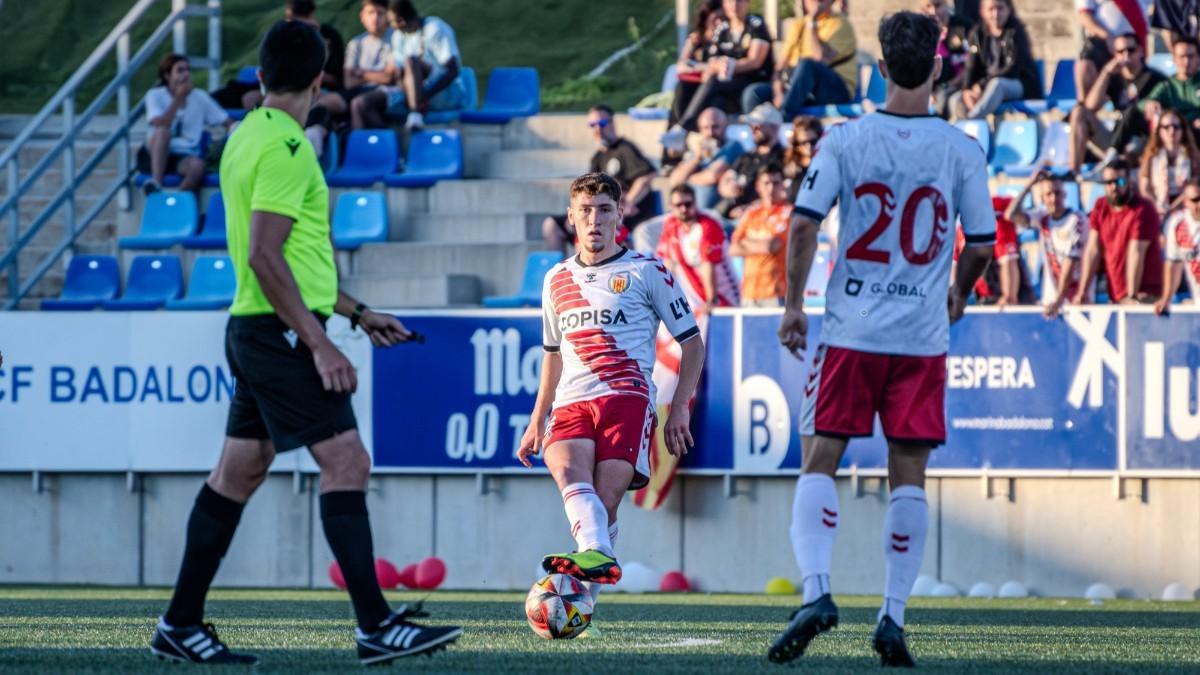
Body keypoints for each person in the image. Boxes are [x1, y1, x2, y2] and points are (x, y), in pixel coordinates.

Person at [147, 22, 462, 666]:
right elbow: (266, 257)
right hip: (280, 334)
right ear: (321, 81)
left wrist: (358, 312)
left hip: (257, 327)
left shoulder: (246, 135)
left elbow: (288, 260)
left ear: (261, 77)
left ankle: (179, 624)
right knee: (347, 462)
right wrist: (320, 342)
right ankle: (376, 625)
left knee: (237, 473)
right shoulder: (289, 147)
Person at [771, 11, 995, 667]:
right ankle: (892, 615)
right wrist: (959, 291)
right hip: (921, 337)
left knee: (820, 458)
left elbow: (804, 224)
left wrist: (794, 306)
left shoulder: (846, 139)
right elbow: (982, 243)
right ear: (937, 68)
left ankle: (817, 590)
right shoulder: (962, 149)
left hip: (853, 329)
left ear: (878, 67)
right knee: (909, 473)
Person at [517, 172, 705, 625]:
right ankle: (597, 555)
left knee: (603, 504)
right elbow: (552, 354)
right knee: (566, 472)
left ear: (620, 214)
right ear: (571, 217)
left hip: (626, 397)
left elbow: (692, 343)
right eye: (585, 210)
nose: (594, 219)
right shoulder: (556, 278)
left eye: (604, 210)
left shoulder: (647, 270)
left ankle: (585, 597)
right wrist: (537, 417)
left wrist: (679, 405)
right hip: (571, 400)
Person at [542, 106, 657, 255]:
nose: (597, 129)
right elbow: (588, 192)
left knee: (588, 232)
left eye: (602, 123)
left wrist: (628, 201)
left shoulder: (625, 148)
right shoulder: (597, 158)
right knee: (551, 225)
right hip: (600, 210)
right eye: (592, 125)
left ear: (612, 123)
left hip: (624, 214)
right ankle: (565, 269)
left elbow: (647, 175)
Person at [660, 0, 774, 150]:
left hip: (751, 80)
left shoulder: (756, 24)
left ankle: (683, 128)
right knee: (686, 88)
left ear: (747, 2)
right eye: (730, 1)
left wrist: (729, 66)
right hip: (725, 84)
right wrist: (713, 67)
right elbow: (712, 62)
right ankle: (683, 145)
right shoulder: (723, 29)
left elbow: (755, 62)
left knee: (714, 83)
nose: (734, 5)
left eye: (739, 1)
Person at [351, 0, 465, 131]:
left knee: (411, 61)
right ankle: (389, 141)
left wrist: (425, 96)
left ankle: (415, 114)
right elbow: (400, 74)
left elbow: (452, 70)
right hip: (413, 94)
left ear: (401, 21)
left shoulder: (434, 28)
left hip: (444, 92)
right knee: (361, 104)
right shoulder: (398, 37)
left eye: (391, 21)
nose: (389, 25)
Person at [742, 0, 858, 118]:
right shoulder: (799, 25)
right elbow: (780, 67)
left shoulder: (840, 23)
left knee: (807, 64)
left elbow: (819, 57)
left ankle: (783, 117)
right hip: (799, 88)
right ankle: (756, 127)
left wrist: (812, 23)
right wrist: (778, 92)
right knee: (754, 93)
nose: (815, 2)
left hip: (834, 90)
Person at [1068, 32, 1164, 172]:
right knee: (1079, 112)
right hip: (1115, 139)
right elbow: (1090, 106)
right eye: (1120, 52)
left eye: (1131, 50)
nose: (1126, 55)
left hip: (1140, 139)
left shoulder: (1154, 79)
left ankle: (1118, 168)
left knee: (1131, 147)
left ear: (1140, 51)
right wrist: (1106, 72)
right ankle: (1073, 172)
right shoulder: (1114, 77)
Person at [138, 54, 233, 195]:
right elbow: (160, 123)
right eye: (180, 70)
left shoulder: (200, 97)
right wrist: (179, 98)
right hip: (155, 152)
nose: (186, 74)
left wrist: (235, 128)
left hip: (184, 154)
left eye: (188, 70)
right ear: (167, 76)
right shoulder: (155, 95)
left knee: (198, 166)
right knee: (163, 132)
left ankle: (178, 200)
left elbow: (226, 120)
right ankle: (156, 183)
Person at [1074, 160, 1165, 304]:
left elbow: (1136, 253)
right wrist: (1082, 292)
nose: (1114, 187)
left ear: (1129, 181)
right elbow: (1092, 250)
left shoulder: (1143, 209)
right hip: (1117, 295)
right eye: (1108, 183)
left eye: (1120, 181)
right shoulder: (1100, 206)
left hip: (1145, 295)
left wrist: (1132, 296)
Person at [1005, 170, 1093, 316]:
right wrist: (1029, 184)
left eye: (1057, 193)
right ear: (1042, 198)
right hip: (1052, 303)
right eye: (1048, 194)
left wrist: (1058, 301)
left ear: (1064, 195)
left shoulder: (1077, 220)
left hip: (1077, 301)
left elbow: (1069, 263)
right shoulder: (1043, 218)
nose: (1053, 199)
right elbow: (1011, 215)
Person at [656, 184, 741, 314]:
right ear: (671, 207)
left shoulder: (708, 226)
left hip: (722, 296)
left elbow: (708, 266)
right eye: (678, 205)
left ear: (695, 203)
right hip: (694, 299)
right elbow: (667, 264)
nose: (684, 209)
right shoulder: (670, 226)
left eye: (688, 204)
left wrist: (711, 300)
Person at [949, 0, 1041, 120]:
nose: (996, 14)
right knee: (956, 99)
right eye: (991, 9)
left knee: (997, 84)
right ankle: (965, 128)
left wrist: (982, 85)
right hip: (986, 86)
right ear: (983, 11)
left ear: (1008, 10)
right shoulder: (977, 34)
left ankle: (973, 119)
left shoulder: (1016, 33)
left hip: (1017, 84)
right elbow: (971, 66)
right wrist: (967, 89)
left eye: (1000, 8)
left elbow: (1012, 70)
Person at [731, 165, 792, 306]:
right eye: (766, 183)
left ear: (782, 186)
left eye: (775, 183)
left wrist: (747, 242)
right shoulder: (751, 213)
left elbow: (772, 246)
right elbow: (734, 248)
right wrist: (761, 243)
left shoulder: (788, 213)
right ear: (758, 186)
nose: (771, 188)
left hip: (776, 292)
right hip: (749, 292)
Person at [715, 103, 785, 220]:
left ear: (774, 127)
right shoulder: (746, 157)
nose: (752, 129)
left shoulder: (783, 159)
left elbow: (783, 193)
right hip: (729, 213)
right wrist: (728, 187)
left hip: (760, 218)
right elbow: (725, 180)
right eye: (751, 125)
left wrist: (750, 209)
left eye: (757, 126)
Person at [667, 0, 726, 139]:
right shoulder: (696, 38)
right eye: (715, 18)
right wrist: (706, 67)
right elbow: (681, 65)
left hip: (714, 86)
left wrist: (710, 69)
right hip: (695, 83)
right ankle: (676, 133)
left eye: (722, 18)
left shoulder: (726, 38)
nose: (719, 23)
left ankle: (684, 129)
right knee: (681, 89)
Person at [668, 107, 744, 207]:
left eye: (715, 127)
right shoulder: (697, 152)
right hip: (688, 210)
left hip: (714, 211)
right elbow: (674, 181)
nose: (710, 132)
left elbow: (713, 176)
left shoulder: (733, 146)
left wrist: (687, 178)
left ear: (725, 125)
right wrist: (697, 159)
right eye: (706, 128)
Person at [1076, 0, 1150, 100]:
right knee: (1085, 66)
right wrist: (1108, 38)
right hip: (1101, 45)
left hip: (1133, 47)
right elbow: (1084, 15)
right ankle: (1083, 105)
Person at [1139, 108, 1200, 215]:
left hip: (1185, 207)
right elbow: (1145, 188)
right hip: (1157, 206)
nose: (1172, 131)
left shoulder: (1192, 154)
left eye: (1176, 127)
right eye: (1166, 127)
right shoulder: (1151, 155)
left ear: (1183, 130)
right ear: (1159, 130)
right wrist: (1156, 206)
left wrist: (1173, 207)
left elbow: (1194, 185)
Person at [1156, 179, 1200, 313]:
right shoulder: (1177, 223)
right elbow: (1173, 263)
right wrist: (1166, 298)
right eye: (1195, 200)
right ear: (1185, 202)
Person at [922, 0, 972, 117]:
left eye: (937, 5)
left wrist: (950, 84)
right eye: (928, 6)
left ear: (946, 3)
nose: (933, 11)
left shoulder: (964, 26)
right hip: (935, 88)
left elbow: (973, 62)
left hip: (961, 84)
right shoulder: (923, 31)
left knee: (946, 100)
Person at [1141, 37, 1200, 132]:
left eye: (1190, 56)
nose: (1186, 61)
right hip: (1174, 131)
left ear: (1198, 58)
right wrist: (1150, 103)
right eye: (1182, 56)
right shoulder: (1167, 85)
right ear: (1174, 59)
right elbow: (1142, 104)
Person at [343, 0, 395, 98]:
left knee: (358, 104)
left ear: (388, 16)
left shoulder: (396, 38)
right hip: (356, 92)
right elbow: (349, 83)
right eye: (370, 12)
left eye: (380, 13)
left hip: (386, 93)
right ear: (362, 16)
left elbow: (388, 78)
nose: (375, 18)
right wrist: (376, 76)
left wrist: (360, 73)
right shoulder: (355, 43)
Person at [783, 116, 823, 203]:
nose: (809, 146)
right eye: (803, 143)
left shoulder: (829, 165)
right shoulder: (789, 169)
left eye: (813, 142)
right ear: (796, 144)